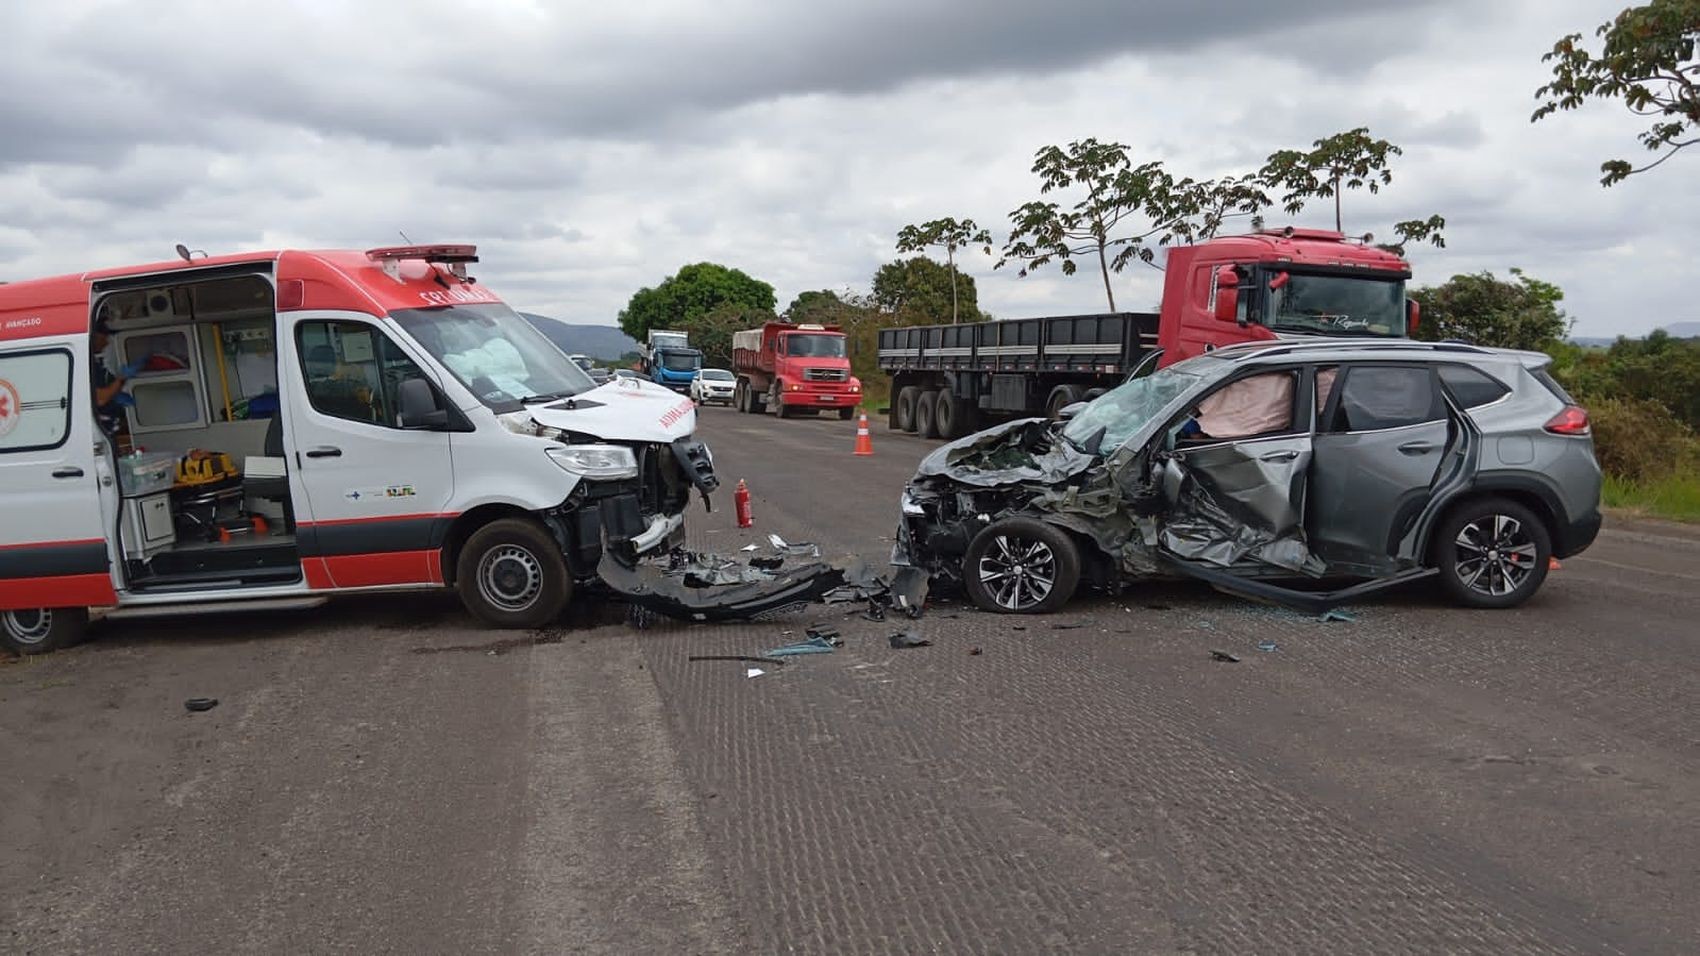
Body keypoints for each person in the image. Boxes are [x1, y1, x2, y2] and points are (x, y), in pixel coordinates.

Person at [91, 317, 147, 436]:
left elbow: (108, 387)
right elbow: (100, 399)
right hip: (104, 428)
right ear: (93, 336)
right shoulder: (87, 364)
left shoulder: (94, 363)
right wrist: (121, 378)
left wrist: (120, 383)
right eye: (104, 337)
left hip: (110, 425)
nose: (107, 342)